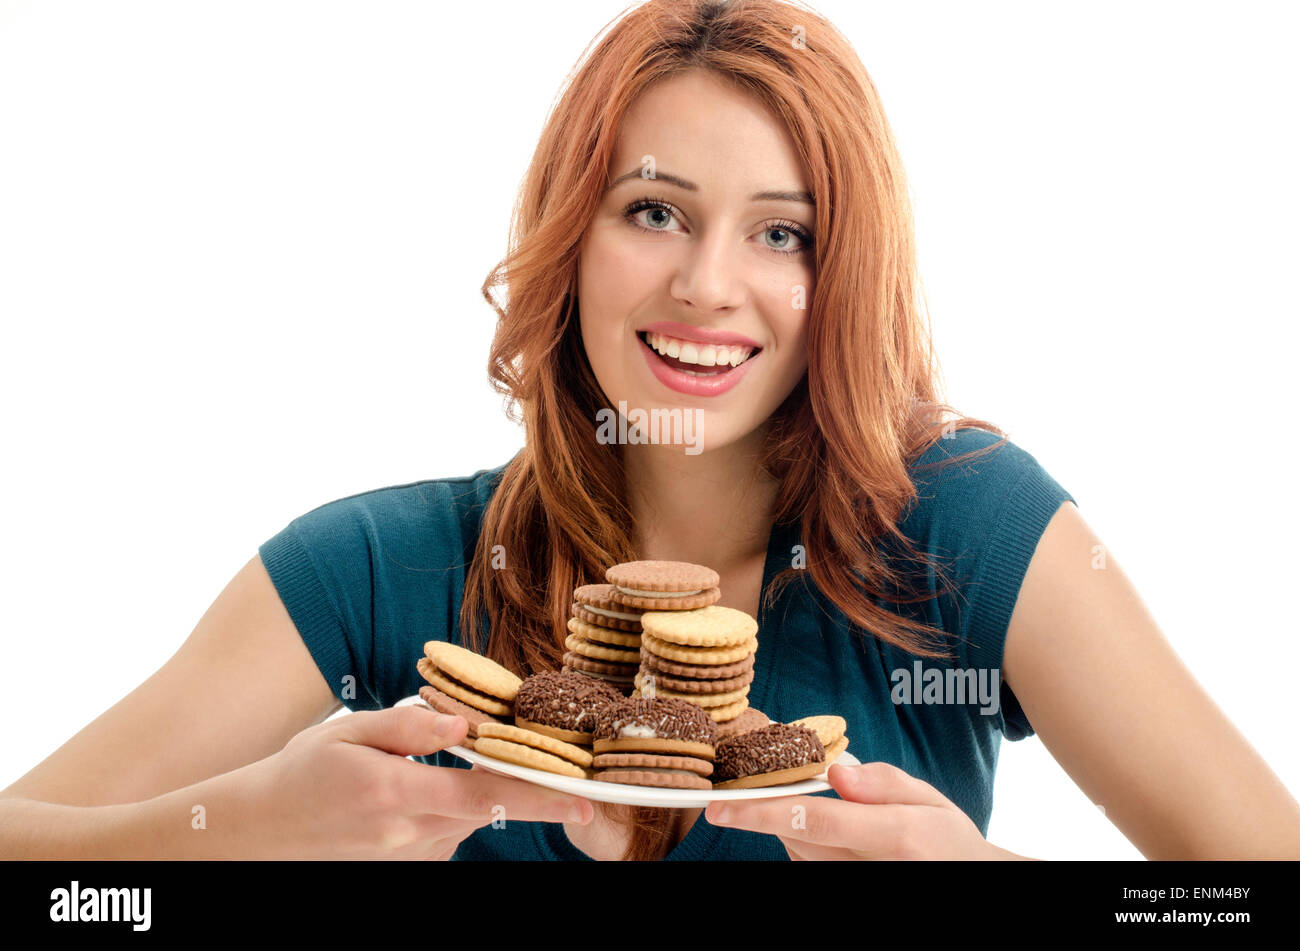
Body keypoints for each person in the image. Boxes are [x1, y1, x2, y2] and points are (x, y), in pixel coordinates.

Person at [4, 0, 1299, 862]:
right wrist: (239, 824)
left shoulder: (964, 526)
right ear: (575, 234)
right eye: (656, 212)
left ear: (841, 272)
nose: (707, 287)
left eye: (781, 232)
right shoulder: (374, 571)